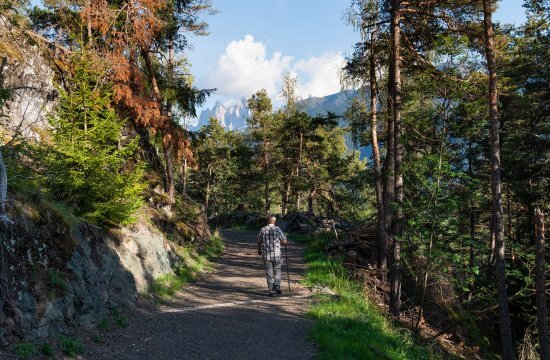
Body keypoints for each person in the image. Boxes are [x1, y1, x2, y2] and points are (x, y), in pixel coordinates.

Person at [257, 215, 288, 296]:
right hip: (277, 255)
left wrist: (259, 250)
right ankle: (277, 285)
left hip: (266, 255)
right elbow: (284, 241)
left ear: (267, 221)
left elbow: (259, 241)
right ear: (274, 221)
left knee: (269, 273)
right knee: (278, 271)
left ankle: (272, 291)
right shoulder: (278, 229)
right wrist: (284, 240)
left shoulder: (263, 229)